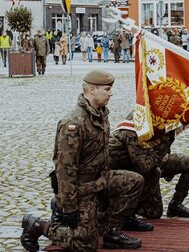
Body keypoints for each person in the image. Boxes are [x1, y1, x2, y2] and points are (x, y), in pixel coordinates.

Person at [20, 70, 144, 251]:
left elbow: (103, 155)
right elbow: (64, 169)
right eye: (107, 89)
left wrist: (104, 190)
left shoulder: (101, 114)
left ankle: (111, 232)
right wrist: (68, 206)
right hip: (81, 188)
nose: (111, 93)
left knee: (133, 181)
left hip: (99, 180)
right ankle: (38, 225)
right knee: (86, 245)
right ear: (92, 90)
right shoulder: (73, 123)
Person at [109, 114, 189, 220]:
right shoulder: (135, 127)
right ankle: (129, 210)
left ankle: (176, 205)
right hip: (129, 167)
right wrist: (164, 144)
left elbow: (161, 147)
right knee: (154, 212)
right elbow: (145, 167)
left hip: (151, 160)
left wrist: (166, 146)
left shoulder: (164, 117)